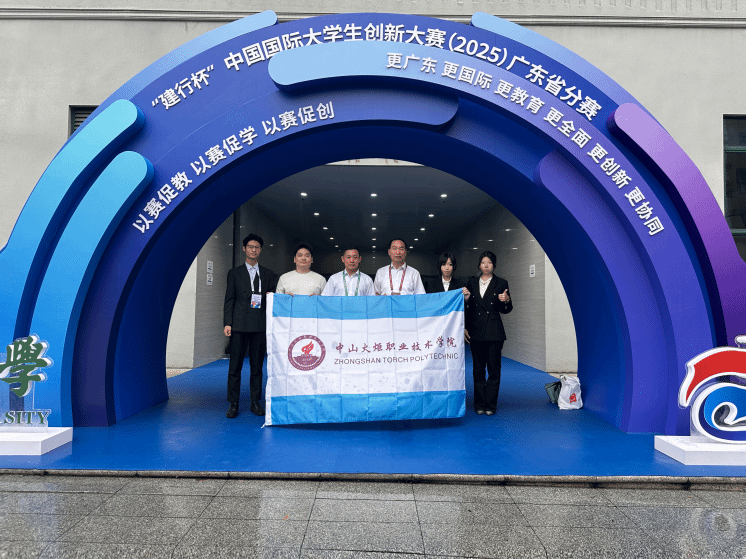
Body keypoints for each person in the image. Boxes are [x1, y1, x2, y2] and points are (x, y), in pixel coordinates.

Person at [223, 234, 278, 418]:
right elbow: (229, 299)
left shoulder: (269, 274)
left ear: (260, 250)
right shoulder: (234, 273)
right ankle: (234, 403)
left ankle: (255, 402)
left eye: (257, 247)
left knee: (257, 367)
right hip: (239, 325)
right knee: (235, 367)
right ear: (244, 249)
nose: (254, 250)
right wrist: (228, 323)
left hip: (259, 325)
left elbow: (273, 299)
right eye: (250, 247)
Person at [464, 250, 512, 416]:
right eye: (483, 262)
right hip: (476, 330)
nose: (486, 265)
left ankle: (490, 405)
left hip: (494, 331)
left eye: (489, 262)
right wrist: (466, 325)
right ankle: (479, 404)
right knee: (478, 370)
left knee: (493, 370)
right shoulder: (471, 283)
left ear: (494, 265)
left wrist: (506, 300)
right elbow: (468, 308)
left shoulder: (501, 283)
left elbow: (507, 309)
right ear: (479, 265)